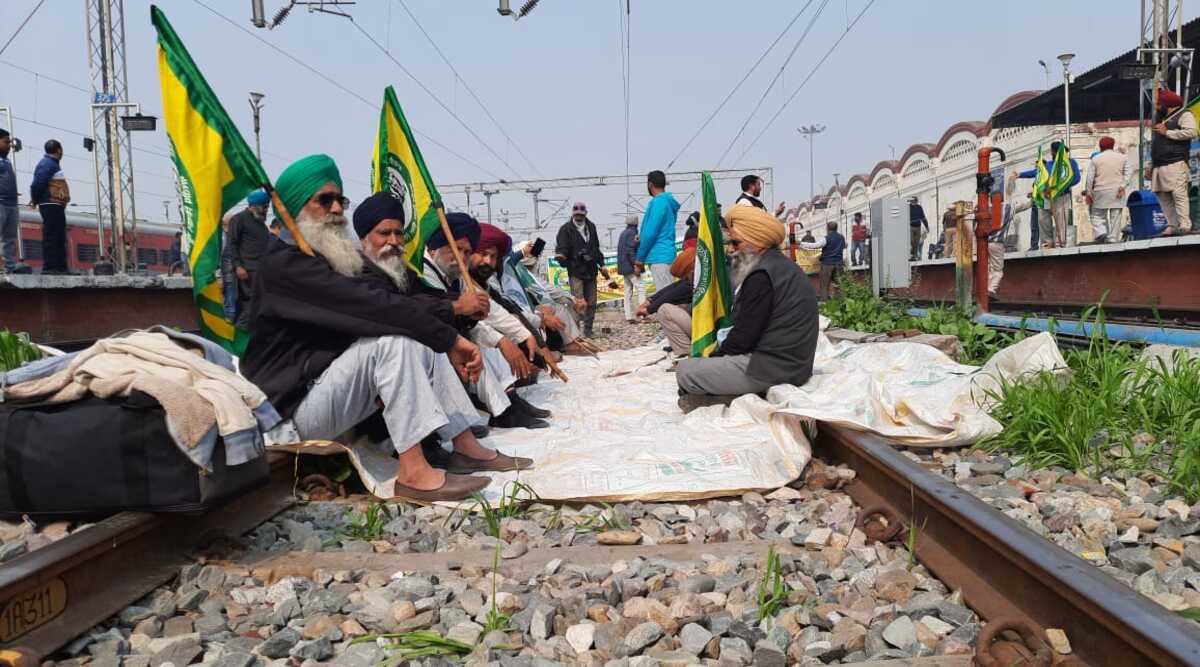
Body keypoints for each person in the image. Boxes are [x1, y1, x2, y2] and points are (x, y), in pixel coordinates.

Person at [242, 154, 527, 501]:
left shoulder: (323, 260)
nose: (336, 209)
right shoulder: (284, 266)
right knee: (395, 341)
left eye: (340, 200)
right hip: (293, 411)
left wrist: (444, 338)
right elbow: (371, 305)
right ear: (295, 206)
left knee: (419, 338)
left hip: (327, 393)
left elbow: (393, 304)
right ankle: (415, 474)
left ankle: (465, 445)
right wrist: (451, 337)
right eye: (324, 200)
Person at [353, 192, 548, 432]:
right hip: (383, 368)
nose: (462, 258)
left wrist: (519, 335)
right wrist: (465, 313)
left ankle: (502, 406)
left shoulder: (437, 275)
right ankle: (481, 419)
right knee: (458, 344)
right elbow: (407, 308)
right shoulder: (421, 272)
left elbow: (493, 310)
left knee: (480, 342)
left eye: (467, 252)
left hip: (426, 355)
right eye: (384, 233)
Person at [676, 206, 818, 402]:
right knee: (701, 370)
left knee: (685, 371)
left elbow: (743, 338)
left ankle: (719, 399)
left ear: (756, 242)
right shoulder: (781, 266)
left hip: (773, 368)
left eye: (736, 243)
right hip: (794, 364)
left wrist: (712, 361)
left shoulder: (761, 275)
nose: (732, 250)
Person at [554, 202, 612, 337]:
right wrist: (562, 257)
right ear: (573, 214)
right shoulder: (566, 229)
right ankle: (576, 333)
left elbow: (596, 248)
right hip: (576, 270)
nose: (579, 216)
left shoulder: (591, 227)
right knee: (578, 302)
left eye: (581, 214)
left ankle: (588, 330)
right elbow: (562, 248)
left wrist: (602, 264)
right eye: (577, 214)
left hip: (591, 270)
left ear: (585, 213)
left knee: (592, 302)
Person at [1019, 141, 1080, 248]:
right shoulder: (1048, 165)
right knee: (1043, 220)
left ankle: (1060, 242)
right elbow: (1036, 173)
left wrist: (1059, 188)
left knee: (1061, 221)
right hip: (1046, 197)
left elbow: (1076, 178)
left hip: (1061, 197)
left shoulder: (1070, 163)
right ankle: (1047, 242)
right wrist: (1019, 175)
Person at [1151, 90, 1196, 235]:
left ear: (1168, 104)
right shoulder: (1162, 119)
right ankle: (1172, 225)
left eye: (1159, 104)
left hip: (1175, 162)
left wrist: (1168, 133)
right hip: (1159, 164)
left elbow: (1192, 132)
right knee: (1162, 195)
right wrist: (1150, 166)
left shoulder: (1184, 114)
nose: (1157, 107)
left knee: (1178, 194)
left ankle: (1185, 225)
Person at [227, 190, 271, 327]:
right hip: (247, 271)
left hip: (259, 271)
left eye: (267, 207)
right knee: (251, 305)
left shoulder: (261, 225)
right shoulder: (239, 219)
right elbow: (232, 244)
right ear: (255, 206)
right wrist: (238, 266)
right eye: (264, 207)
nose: (266, 210)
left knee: (256, 306)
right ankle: (238, 335)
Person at [635, 170, 680, 291]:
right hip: (667, 254)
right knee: (668, 295)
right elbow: (661, 228)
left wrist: (639, 258)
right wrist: (642, 236)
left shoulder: (658, 202)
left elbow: (651, 232)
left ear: (650, 185)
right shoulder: (667, 202)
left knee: (665, 299)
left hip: (659, 256)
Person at [30, 139, 69, 274]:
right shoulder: (47, 164)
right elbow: (37, 183)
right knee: (52, 235)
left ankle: (60, 267)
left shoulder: (52, 164)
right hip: (49, 203)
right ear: (59, 150)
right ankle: (50, 267)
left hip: (55, 204)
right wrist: (35, 199)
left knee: (59, 236)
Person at [1085, 136, 1128, 243]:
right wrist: (1123, 186)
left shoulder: (1095, 159)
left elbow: (1090, 179)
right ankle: (1113, 238)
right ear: (1113, 145)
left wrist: (1089, 193)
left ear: (1100, 146)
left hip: (1100, 191)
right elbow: (1128, 173)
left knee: (1097, 214)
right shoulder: (1123, 158)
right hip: (1117, 190)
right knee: (1116, 215)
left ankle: (1101, 233)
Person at [0, 129, 21, 274]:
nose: (9, 145)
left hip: (12, 204)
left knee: (9, 238)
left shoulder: (6, 160)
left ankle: (9, 267)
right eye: (6, 142)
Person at [616, 214, 643, 322]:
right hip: (630, 266)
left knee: (627, 292)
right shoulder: (633, 233)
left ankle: (628, 316)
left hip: (623, 267)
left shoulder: (623, 233)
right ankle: (642, 314)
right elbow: (630, 251)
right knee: (641, 288)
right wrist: (636, 265)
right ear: (636, 223)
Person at [817, 222, 846, 299]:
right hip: (839, 264)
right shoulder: (841, 237)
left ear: (828, 228)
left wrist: (801, 243)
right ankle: (840, 303)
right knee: (839, 284)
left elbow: (815, 245)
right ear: (836, 228)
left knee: (824, 285)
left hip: (827, 264)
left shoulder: (826, 238)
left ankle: (825, 305)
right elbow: (844, 246)